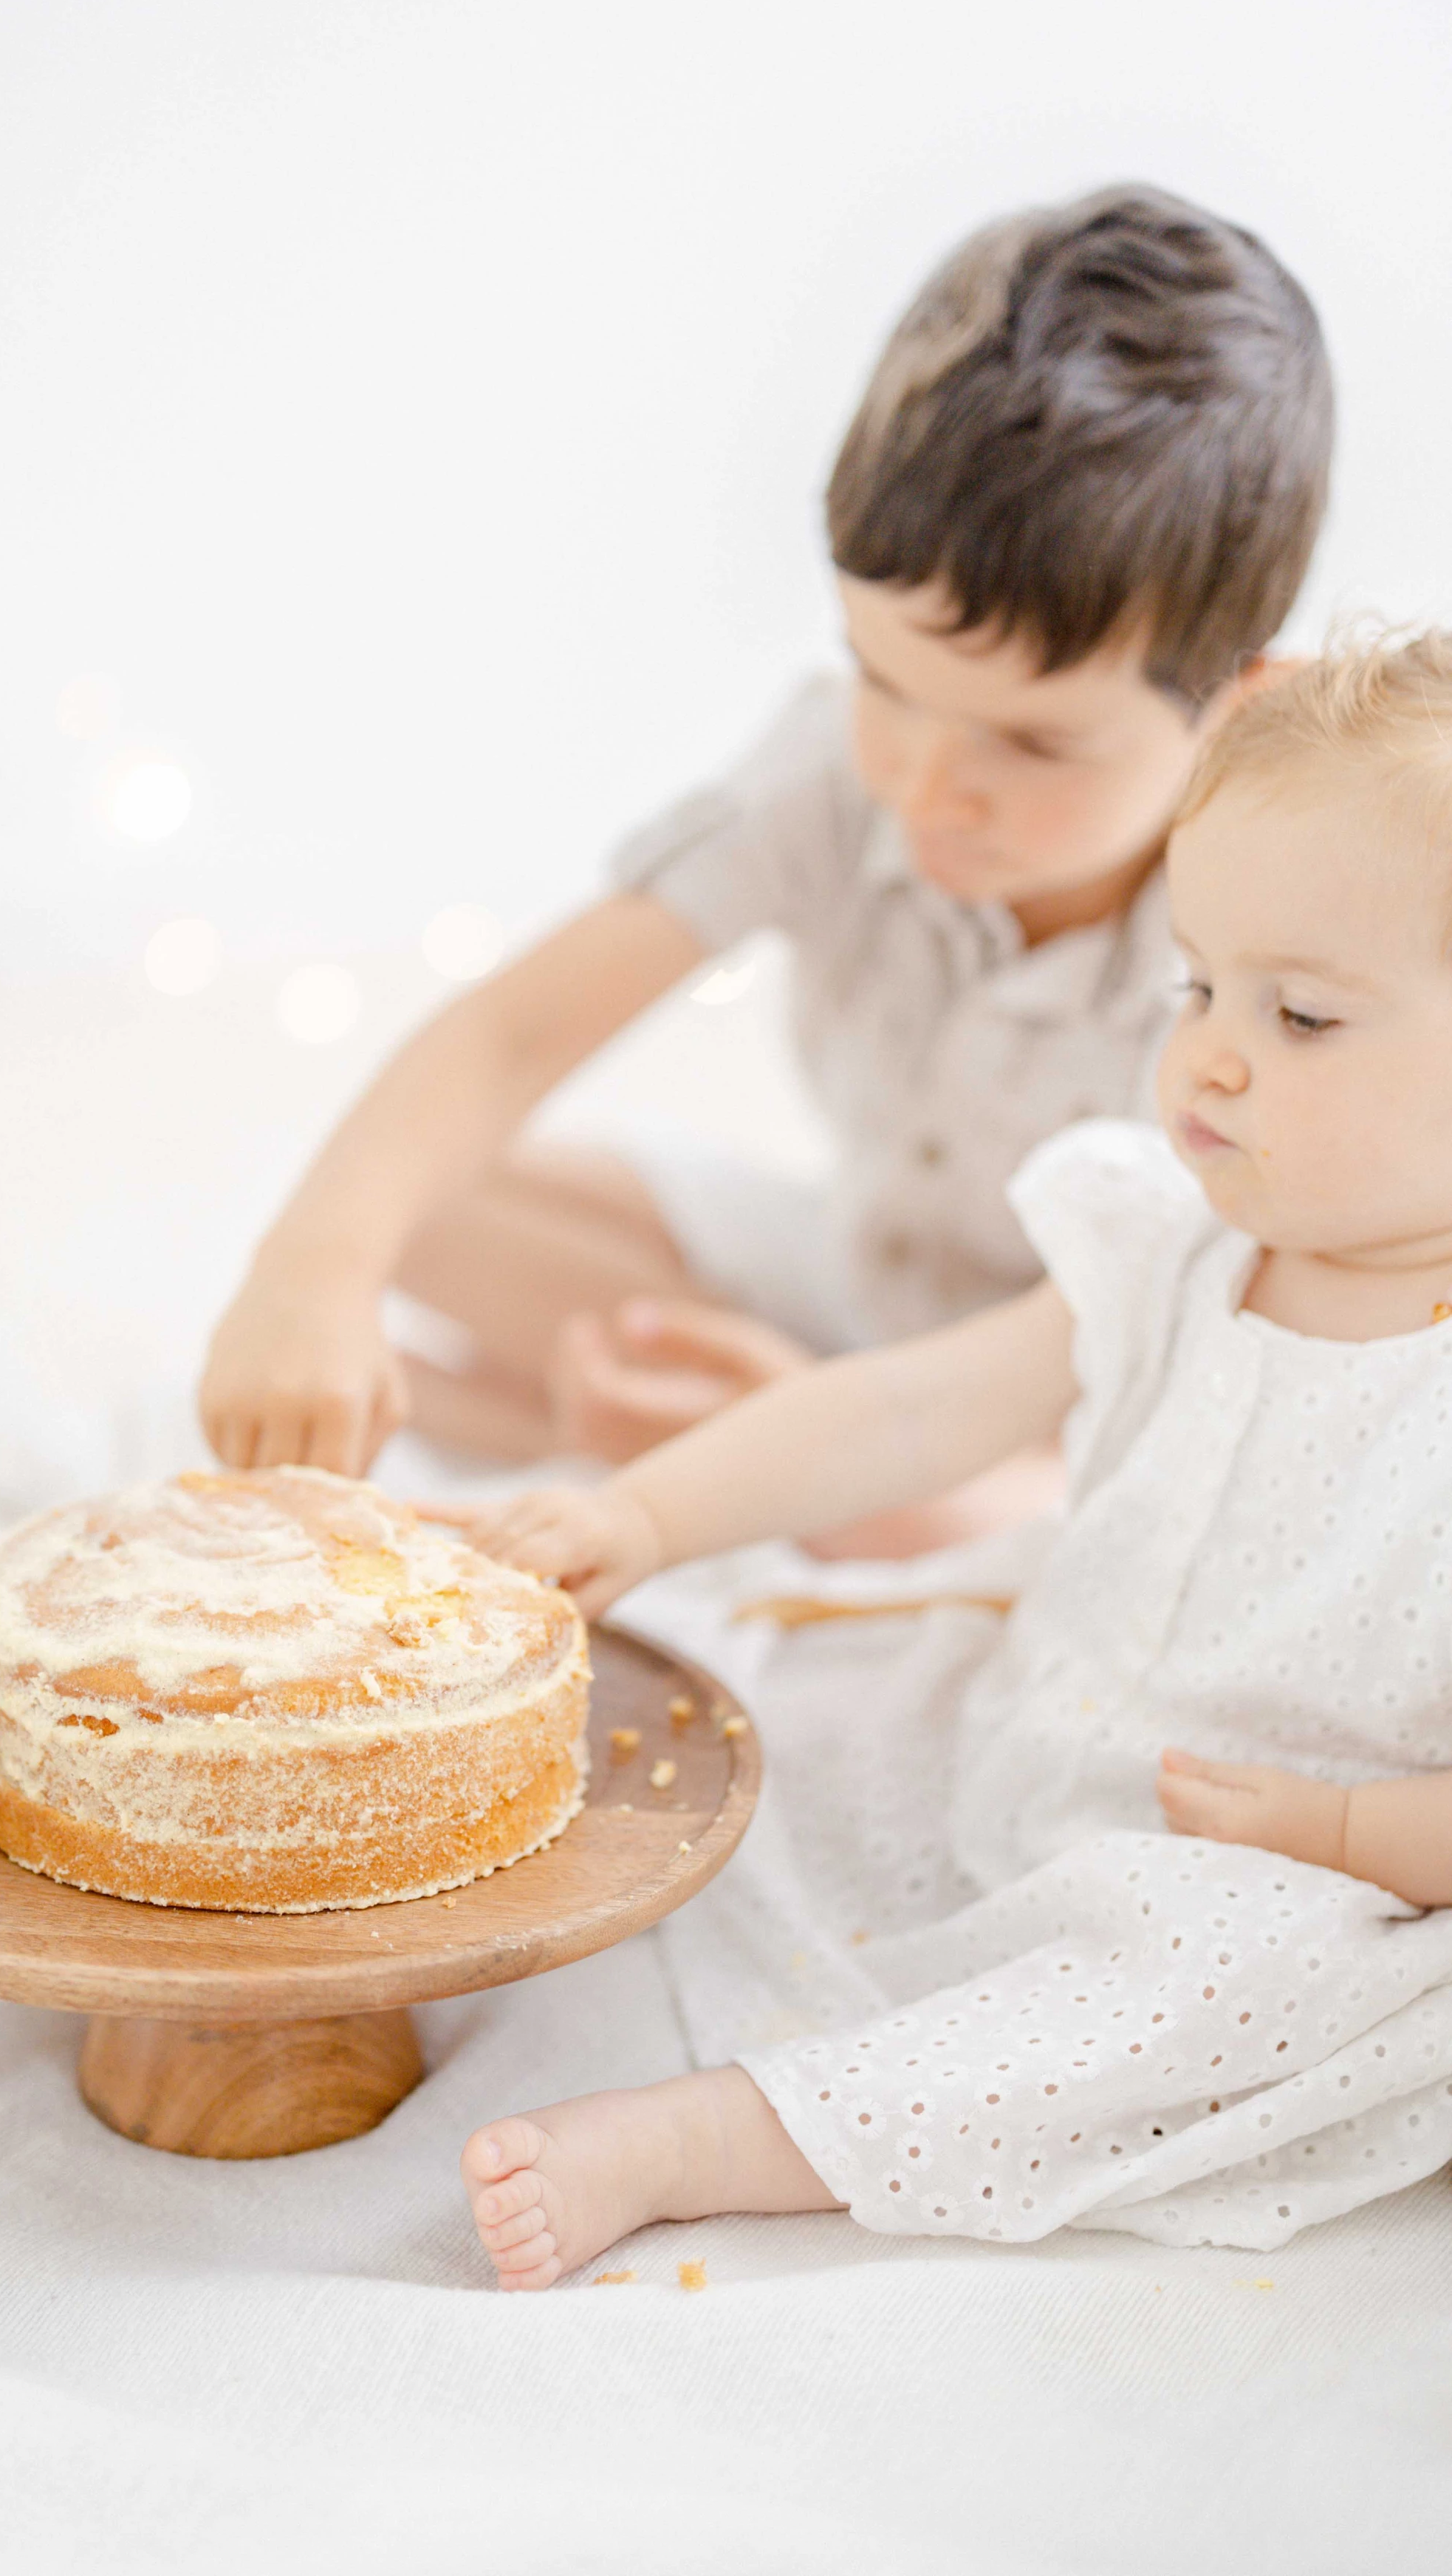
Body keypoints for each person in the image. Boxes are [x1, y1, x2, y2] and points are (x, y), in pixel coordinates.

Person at [453, 635, 1452, 2287]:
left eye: (1302, 1015)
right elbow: (899, 1410)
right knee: (810, 1693)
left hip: (1303, 1870)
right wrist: (650, 1509)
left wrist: (1347, 1839)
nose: (1209, 1054)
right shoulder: (1172, 1248)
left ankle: (721, 2134)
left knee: (1213, 1989)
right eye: (1196, 985)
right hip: (1051, 1719)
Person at [200, 188, 1332, 1554]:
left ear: (1241, 708)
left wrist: (842, 1439)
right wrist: (310, 1274)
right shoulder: (833, 775)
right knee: (404, 1197)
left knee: (1071, 1524)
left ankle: (720, 1444)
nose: (925, 782)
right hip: (852, 1263)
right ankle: (714, 1424)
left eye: (1032, 744)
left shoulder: (1287, 907)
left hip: (1076, 1384)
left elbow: (1241, 1341)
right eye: (883, 680)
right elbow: (510, 1033)